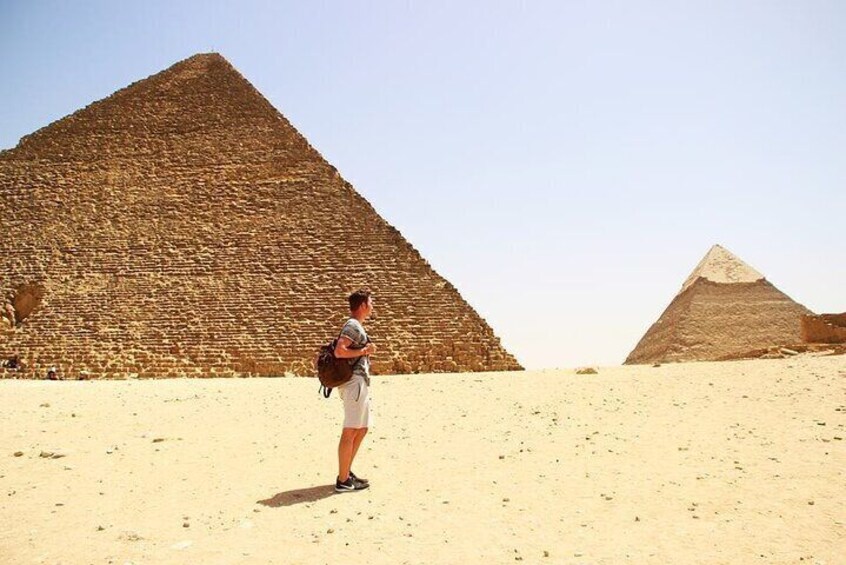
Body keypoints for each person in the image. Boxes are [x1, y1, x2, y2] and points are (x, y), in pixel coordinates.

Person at [333, 289, 376, 493]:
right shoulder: (352, 325)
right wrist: (364, 351)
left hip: (360, 383)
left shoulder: (358, 326)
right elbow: (340, 351)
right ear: (362, 306)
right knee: (350, 430)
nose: (373, 306)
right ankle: (343, 481)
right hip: (354, 384)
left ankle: (346, 472)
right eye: (371, 302)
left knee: (362, 428)